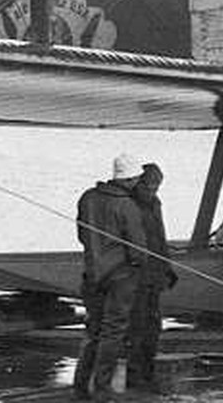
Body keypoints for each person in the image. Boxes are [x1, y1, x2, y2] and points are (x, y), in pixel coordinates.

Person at [73, 154, 147, 401]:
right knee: (113, 331)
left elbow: (82, 235)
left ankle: (81, 384)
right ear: (130, 179)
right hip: (120, 276)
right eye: (137, 178)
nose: (138, 182)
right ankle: (103, 387)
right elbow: (138, 248)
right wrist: (140, 267)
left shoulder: (88, 198)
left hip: (92, 274)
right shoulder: (127, 205)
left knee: (93, 329)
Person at [127, 162, 177, 391]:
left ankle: (148, 373)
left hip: (154, 275)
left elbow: (160, 237)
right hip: (135, 277)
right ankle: (134, 376)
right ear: (138, 183)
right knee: (136, 327)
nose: (152, 193)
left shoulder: (155, 204)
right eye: (148, 188)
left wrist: (167, 267)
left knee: (154, 326)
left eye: (156, 188)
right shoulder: (128, 206)